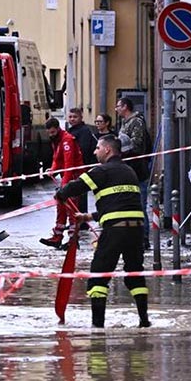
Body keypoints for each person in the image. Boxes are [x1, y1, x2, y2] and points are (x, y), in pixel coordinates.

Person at [56, 135, 150, 328]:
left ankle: (97, 327)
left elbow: (76, 187)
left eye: (98, 148)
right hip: (136, 231)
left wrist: (60, 194)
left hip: (114, 231)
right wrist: (89, 216)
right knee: (135, 274)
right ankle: (144, 320)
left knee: (98, 276)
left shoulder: (101, 171)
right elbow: (120, 204)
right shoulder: (129, 171)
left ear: (107, 150)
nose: (94, 151)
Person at [40, 117, 85, 249]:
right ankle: (57, 236)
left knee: (71, 208)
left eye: (53, 132)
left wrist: (65, 186)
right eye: (49, 133)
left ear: (58, 129)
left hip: (74, 177)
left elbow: (69, 164)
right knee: (61, 205)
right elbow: (57, 158)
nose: (51, 135)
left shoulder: (67, 140)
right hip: (67, 176)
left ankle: (73, 239)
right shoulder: (57, 140)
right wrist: (53, 170)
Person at [115, 97, 153, 200]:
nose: (116, 109)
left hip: (137, 167)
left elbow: (137, 144)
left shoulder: (136, 122)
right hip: (127, 166)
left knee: (140, 201)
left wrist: (122, 149)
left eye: (118, 106)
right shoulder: (124, 122)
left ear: (125, 107)